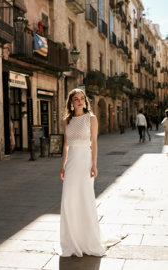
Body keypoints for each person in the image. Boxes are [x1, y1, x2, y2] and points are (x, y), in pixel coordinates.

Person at [57, 89, 127, 257]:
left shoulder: (92, 118)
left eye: (82, 98)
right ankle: (71, 239)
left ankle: (87, 239)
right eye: (76, 99)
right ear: (71, 102)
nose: (80, 101)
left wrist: (94, 164)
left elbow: (94, 142)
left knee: (84, 197)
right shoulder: (67, 120)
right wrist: (62, 166)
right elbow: (66, 144)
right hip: (72, 162)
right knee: (68, 199)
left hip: (85, 161)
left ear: (85, 101)